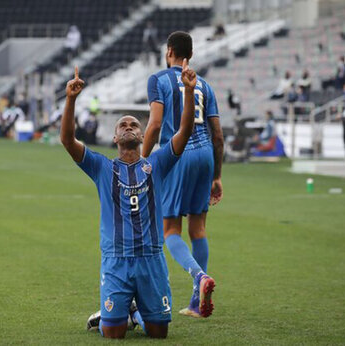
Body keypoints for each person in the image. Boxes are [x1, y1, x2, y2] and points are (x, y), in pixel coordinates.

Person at [63, 61, 197, 339]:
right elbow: (67, 140)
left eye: (134, 124)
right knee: (113, 333)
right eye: (122, 125)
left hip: (151, 258)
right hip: (116, 260)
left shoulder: (156, 163)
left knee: (159, 333)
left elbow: (183, 134)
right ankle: (115, 314)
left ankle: (135, 312)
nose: (128, 127)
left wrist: (188, 92)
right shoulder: (101, 167)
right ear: (114, 137)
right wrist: (71, 100)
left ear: (141, 134)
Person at [142, 31, 224, 318]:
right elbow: (218, 136)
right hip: (205, 157)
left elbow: (153, 125)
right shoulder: (204, 84)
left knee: (170, 230)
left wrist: (141, 161)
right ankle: (195, 303)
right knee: (198, 229)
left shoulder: (159, 80)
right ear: (190, 54)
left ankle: (199, 276)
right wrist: (217, 175)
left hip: (177, 153)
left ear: (169, 52)